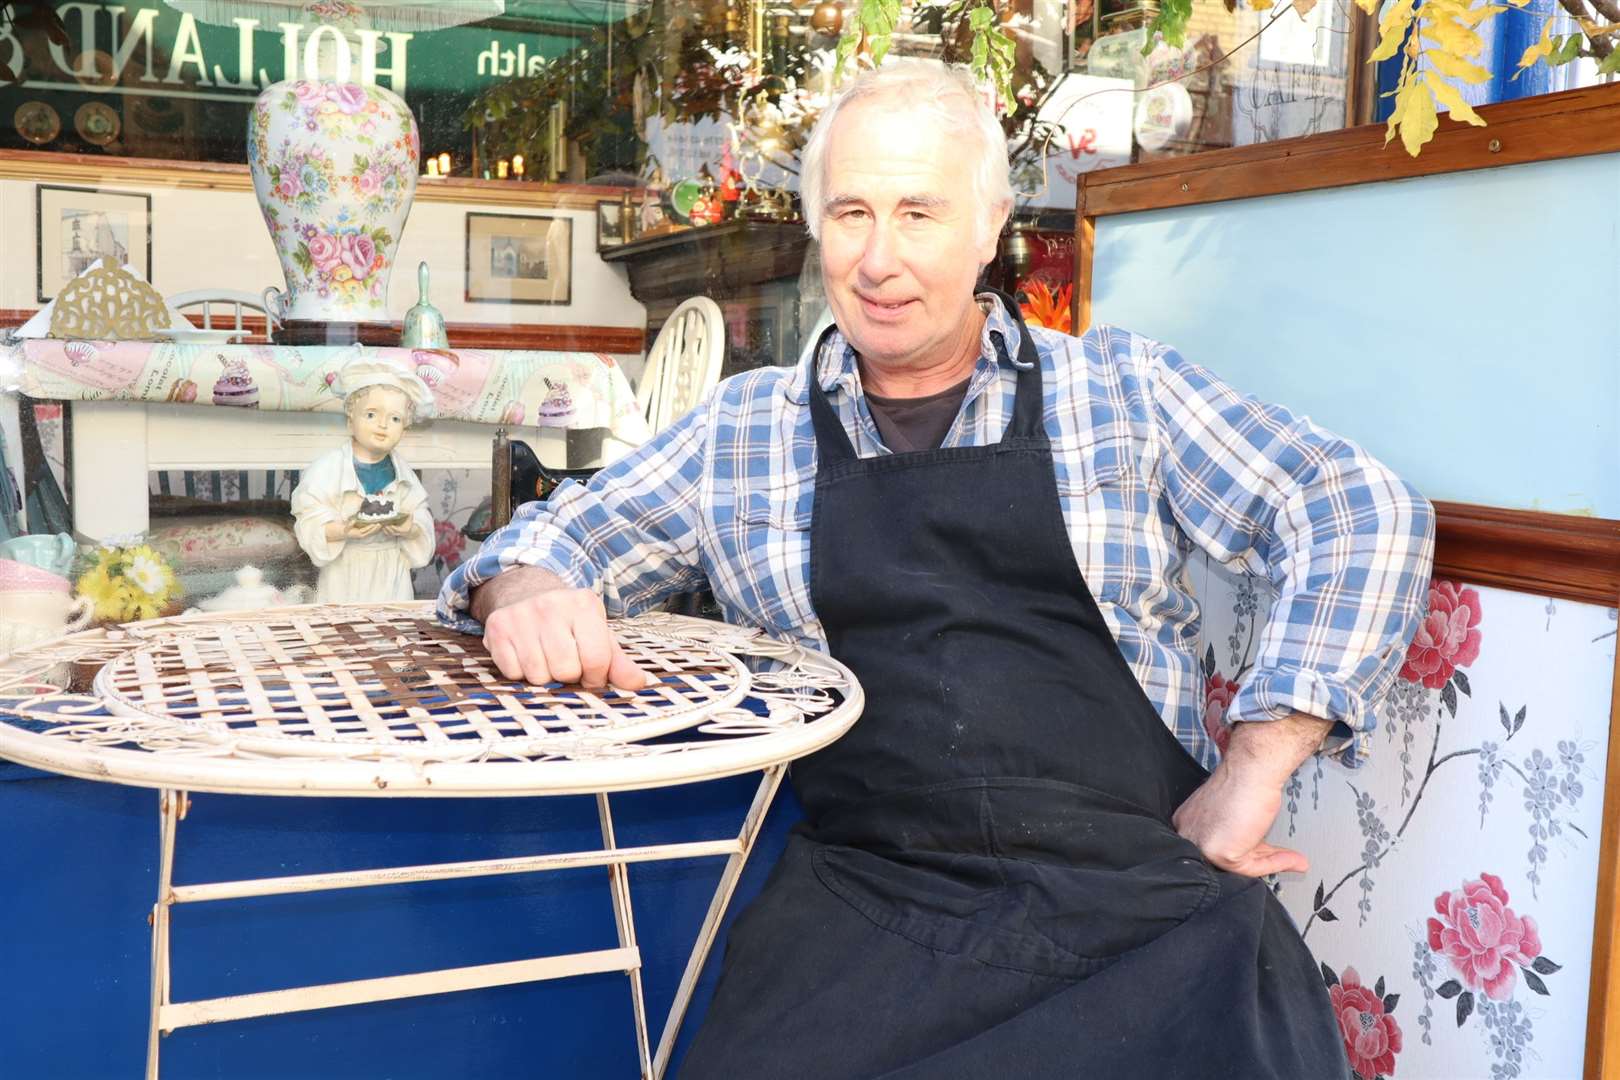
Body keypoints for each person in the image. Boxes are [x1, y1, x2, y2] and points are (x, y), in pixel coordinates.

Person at [438, 60, 1434, 1078]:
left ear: (990, 226)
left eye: (919, 213)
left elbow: (1358, 506)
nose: (879, 258)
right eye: (851, 212)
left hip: (1140, 913)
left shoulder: (1123, 392)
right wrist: (525, 592)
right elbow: (538, 546)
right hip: (869, 912)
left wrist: (1256, 765)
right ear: (815, 227)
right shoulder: (743, 432)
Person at [293, 358, 435, 603]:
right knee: (343, 633)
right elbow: (308, 521)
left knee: (391, 632)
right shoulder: (326, 471)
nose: (382, 425)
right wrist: (343, 530)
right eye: (371, 414)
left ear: (405, 427)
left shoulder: (405, 476)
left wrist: (410, 528)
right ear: (351, 420)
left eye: (395, 419)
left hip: (392, 573)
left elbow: (421, 518)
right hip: (344, 571)